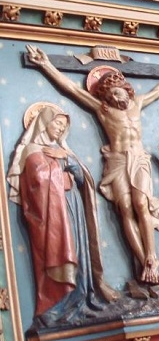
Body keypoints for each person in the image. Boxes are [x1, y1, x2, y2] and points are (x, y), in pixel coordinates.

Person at [26, 45, 159, 285]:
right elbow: (71, 89)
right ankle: (144, 263)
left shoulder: (138, 103)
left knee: (141, 204)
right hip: (117, 160)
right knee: (125, 208)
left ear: (126, 89)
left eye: (117, 92)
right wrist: (46, 64)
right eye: (110, 94)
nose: (114, 97)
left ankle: (153, 257)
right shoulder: (103, 109)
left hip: (138, 158)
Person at [7, 103, 119, 326]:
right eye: (57, 123)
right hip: (51, 214)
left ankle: (82, 300)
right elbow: (39, 182)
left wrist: (67, 160)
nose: (60, 129)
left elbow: (81, 179)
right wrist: (62, 168)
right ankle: (58, 308)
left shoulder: (62, 150)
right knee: (62, 251)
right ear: (44, 123)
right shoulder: (32, 150)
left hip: (72, 206)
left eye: (63, 126)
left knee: (79, 251)